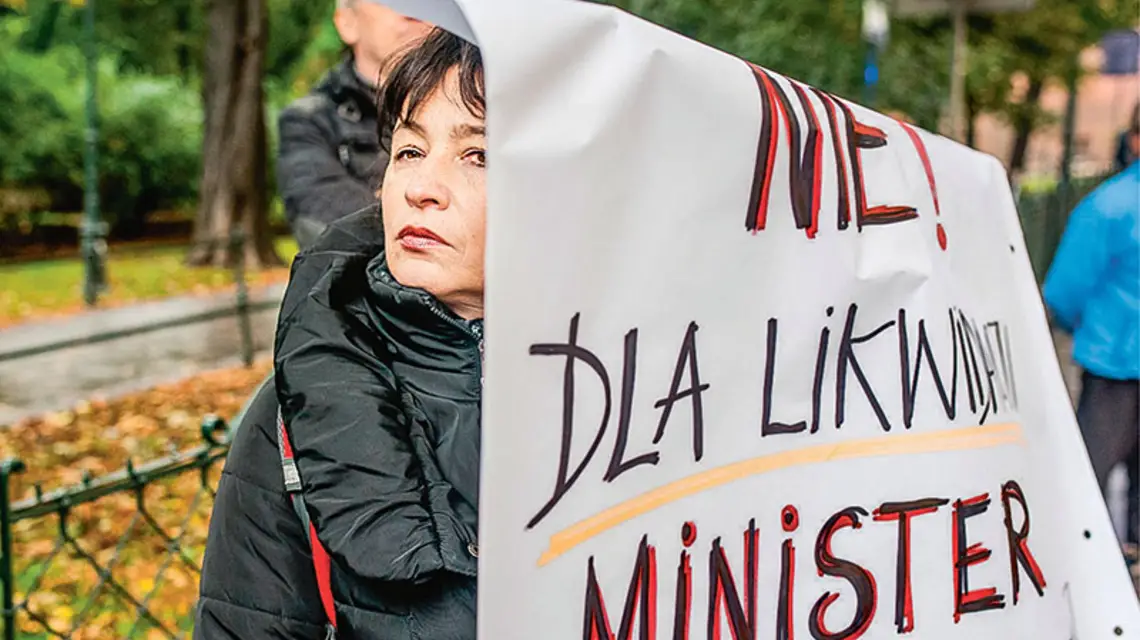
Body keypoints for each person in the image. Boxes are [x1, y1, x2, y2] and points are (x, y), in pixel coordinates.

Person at [196, 28, 485, 639]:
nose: (419, 188)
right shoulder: (297, 411)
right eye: (409, 150)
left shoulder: (650, 390)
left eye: (478, 155)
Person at [1043, 111, 1139, 556]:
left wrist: (1077, 325)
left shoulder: (1108, 206)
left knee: (1086, 484)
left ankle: (1089, 567)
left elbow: (1065, 290)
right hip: (1115, 359)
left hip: (1112, 364)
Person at [277, 0, 431, 249]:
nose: (412, 9)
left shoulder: (480, 108)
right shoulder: (310, 120)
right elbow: (328, 231)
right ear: (347, 23)